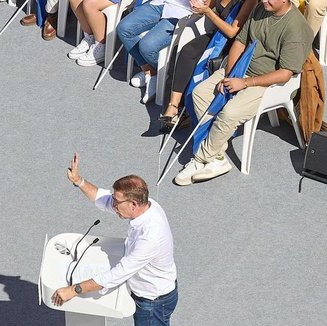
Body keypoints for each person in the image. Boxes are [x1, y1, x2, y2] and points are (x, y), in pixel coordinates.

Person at [52, 155, 181, 326]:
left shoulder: (150, 236)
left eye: (118, 202)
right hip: (163, 294)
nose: (113, 205)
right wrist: (79, 182)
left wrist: (73, 290)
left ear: (134, 204)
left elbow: (116, 275)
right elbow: (103, 199)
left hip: (153, 302)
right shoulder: (147, 206)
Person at [173, 0, 313, 186]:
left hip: (266, 83)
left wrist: (245, 82)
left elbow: (285, 74)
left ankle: (201, 158)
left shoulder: (296, 28)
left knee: (229, 113)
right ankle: (217, 155)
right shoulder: (260, 9)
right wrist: (229, 76)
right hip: (240, 70)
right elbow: (239, 42)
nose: (264, 0)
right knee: (199, 93)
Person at [155, 0, 256, 132]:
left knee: (190, 54)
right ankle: (173, 106)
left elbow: (232, 32)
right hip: (216, 36)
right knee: (183, 51)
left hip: (233, 45)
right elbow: (208, 6)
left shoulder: (250, 1)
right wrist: (199, 6)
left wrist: (208, 12)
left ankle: (181, 109)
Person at [116, 0, 193, 104]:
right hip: (161, 3)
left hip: (185, 13)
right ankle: (150, 72)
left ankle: (163, 75)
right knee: (124, 29)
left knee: (147, 46)